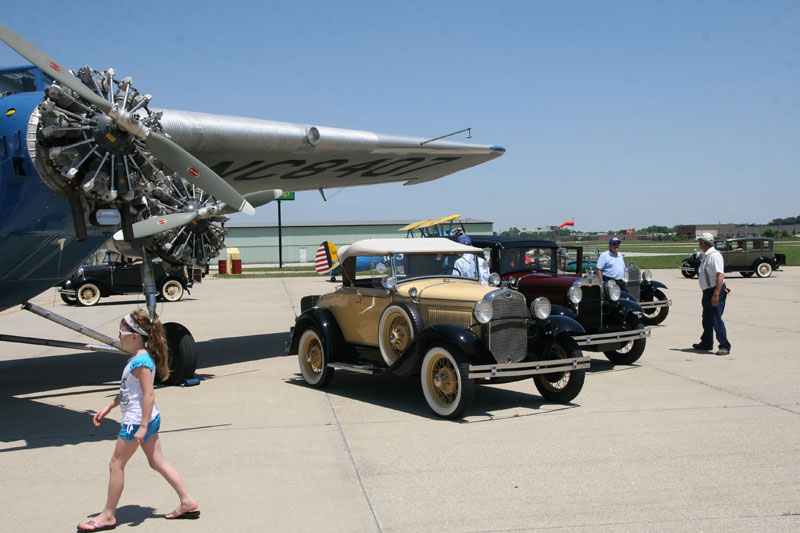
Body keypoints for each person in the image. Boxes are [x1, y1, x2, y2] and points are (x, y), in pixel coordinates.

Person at [77, 310, 199, 531]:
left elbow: (148, 395)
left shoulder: (141, 362)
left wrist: (142, 427)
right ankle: (187, 501)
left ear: (135, 336)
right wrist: (109, 406)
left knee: (116, 464)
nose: (119, 337)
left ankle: (107, 515)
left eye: (121, 333)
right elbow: (128, 392)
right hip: (145, 418)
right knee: (157, 462)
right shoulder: (137, 359)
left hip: (136, 422)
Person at [692, 233, 731, 356]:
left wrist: (716, 294)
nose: (699, 244)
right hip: (708, 291)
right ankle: (706, 342)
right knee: (707, 319)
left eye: (700, 242)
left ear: (703, 243)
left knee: (716, 319)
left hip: (714, 291)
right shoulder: (707, 255)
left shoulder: (715, 256)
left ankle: (724, 345)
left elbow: (720, 276)